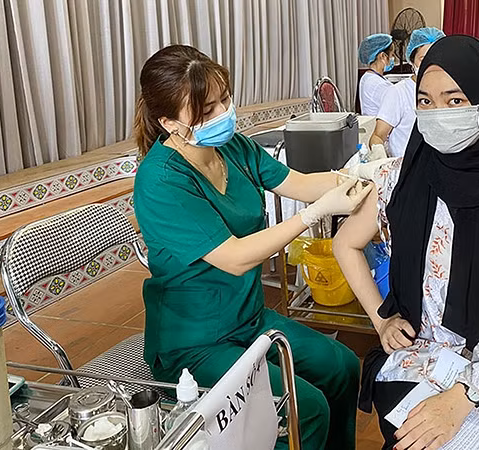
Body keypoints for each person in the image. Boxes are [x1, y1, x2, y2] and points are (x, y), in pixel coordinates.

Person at [334, 36, 479, 450]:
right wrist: (381, 319)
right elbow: (344, 244)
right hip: (423, 355)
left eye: (455, 100)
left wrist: (466, 395)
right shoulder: (401, 177)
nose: (437, 114)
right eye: (425, 101)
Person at [132, 45, 372, 450]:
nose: (223, 113)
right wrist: (312, 216)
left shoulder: (233, 148)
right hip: (195, 341)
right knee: (306, 407)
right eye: (206, 111)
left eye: (224, 99)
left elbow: (296, 183)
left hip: (247, 320)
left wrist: (357, 177)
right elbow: (235, 257)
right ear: (169, 123)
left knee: (342, 365)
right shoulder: (161, 182)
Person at [370, 27, 445, 158]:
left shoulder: (448, 91)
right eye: (423, 59)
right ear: (412, 60)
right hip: (406, 168)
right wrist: (379, 155)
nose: (430, 64)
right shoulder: (399, 92)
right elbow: (377, 136)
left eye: (436, 57)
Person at [358, 33, 395, 116]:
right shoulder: (378, 84)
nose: (393, 59)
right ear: (383, 56)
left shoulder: (367, 76)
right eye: (392, 55)